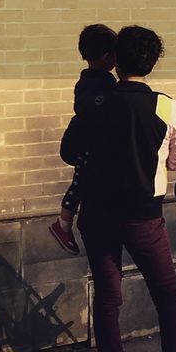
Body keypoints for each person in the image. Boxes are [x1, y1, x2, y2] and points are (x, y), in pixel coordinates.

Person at [60, 25, 176, 352]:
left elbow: (71, 151)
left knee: (108, 299)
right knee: (167, 298)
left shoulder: (96, 101)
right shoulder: (164, 105)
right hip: (144, 217)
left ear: (116, 59)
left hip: (97, 214)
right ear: (151, 62)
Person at [49, 24, 118, 254]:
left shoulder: (86, 80)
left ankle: (64, 224)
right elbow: (95, 112)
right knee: (79, 184)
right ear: (108, 56)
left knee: (79, 182)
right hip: (89, 143)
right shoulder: (101, 83)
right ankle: (63, 224)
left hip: (85, 141)